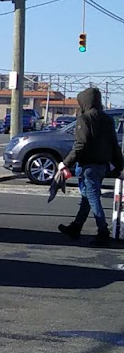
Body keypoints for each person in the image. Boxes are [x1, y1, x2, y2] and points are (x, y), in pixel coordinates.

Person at [56, 87, 123, 246]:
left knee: (92, 197)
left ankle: (103, 231)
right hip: (102, 166)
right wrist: (120, 166)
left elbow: (81, 144)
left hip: (88, 165)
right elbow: (114, 145)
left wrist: (65, 163)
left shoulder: (84, 119)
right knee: (87, 196)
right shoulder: (106, 119)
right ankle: (76, 226)